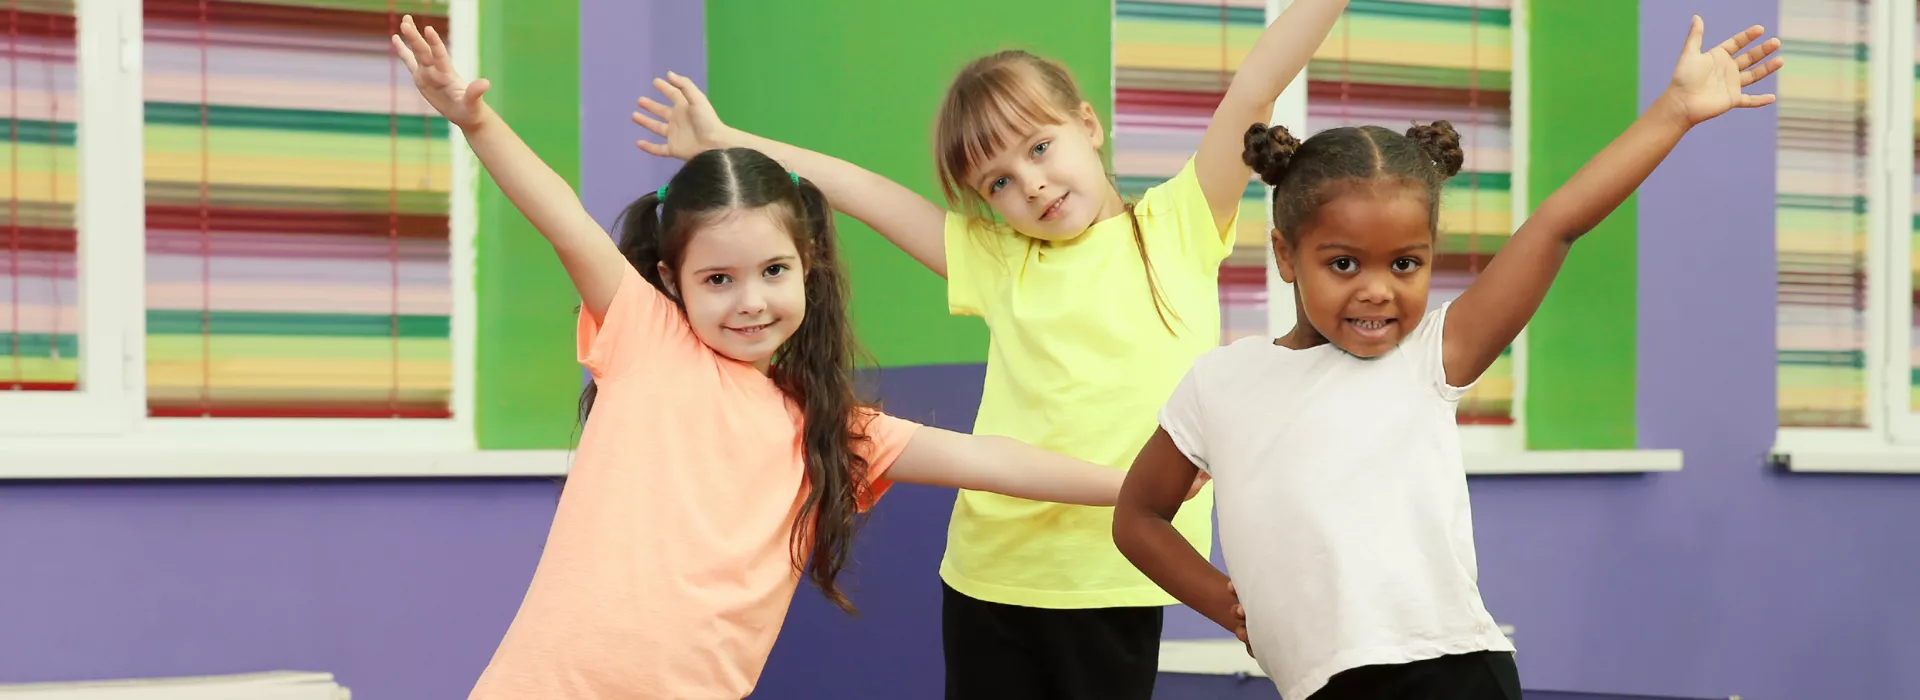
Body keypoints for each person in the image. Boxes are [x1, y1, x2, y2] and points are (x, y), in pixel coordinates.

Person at [388, 17, 1190, 699]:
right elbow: (563, 220)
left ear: (807, 269)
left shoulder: (833, 430)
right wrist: (476, 123)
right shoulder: (645, 340)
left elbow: (995, 462)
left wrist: (1143, 486)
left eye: (773, 272)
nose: (751, 300)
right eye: (718, 280)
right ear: (671, 281)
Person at [631, 4, 1352, 695]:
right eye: (998, 183)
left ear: (1087, 124)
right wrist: (727, 143)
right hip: (991, 575)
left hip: (1118, 576)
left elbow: (1257, 82)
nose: (1031, 185)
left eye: (1039, 148)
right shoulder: (1001, 259)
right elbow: (863, 191)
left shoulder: (1181, 223)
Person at [1111, 16, 1782, 700]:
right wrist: (1227, 605)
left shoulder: (1430, 356)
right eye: (1343, 263)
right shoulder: (1221, 383)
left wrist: (1674, 111)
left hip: (1452, 671)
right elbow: (1137, 518)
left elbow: (1557, 225)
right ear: (1286, 255)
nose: (1378, 289)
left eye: (1405, 263)